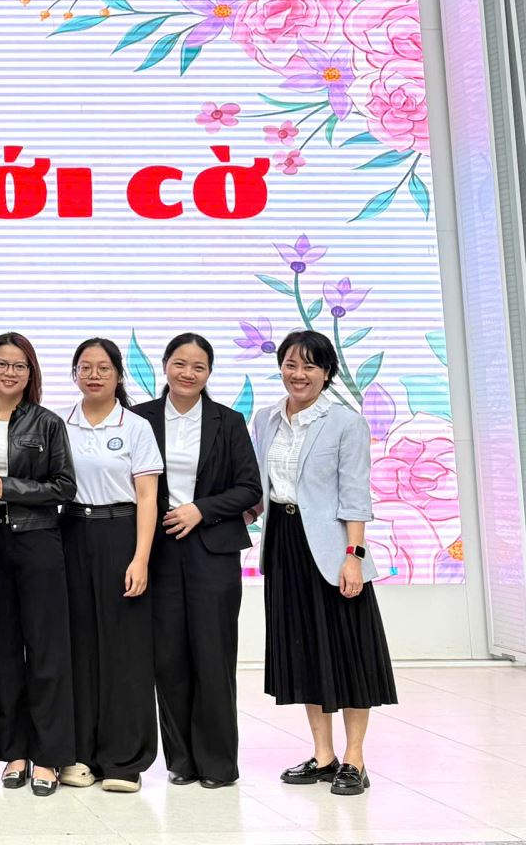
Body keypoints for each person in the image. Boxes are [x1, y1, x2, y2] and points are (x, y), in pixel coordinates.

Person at [256, 329, 397, 797]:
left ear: (327, 372)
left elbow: (355, 495)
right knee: (305, 651)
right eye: (291, 365)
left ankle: (355, 759)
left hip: (334, 548)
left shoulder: (345, 422)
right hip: (285, 544)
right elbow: (260, 486)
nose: (299, 375)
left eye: (310, 366)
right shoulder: (265, 418)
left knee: (350, 652)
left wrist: (353, 556)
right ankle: (323, 756)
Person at [130, 333, 263, 789]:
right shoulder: (139, 418)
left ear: (209, 372)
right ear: (165, 365)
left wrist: (201, 510)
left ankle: (219, 763)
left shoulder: (229, 420)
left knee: (213, 655)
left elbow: (249, 488)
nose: (188, 373)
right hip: (159, 550)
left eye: (198, 366)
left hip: (213, 551)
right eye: (180, 363)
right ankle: (182, 761)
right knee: (168, 659)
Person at [0, 331, 75, 798]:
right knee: (3, 650)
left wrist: (8, 488)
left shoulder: (47, 422)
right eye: (2, 363)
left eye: (20, 365)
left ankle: (50, 756)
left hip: (37, 540)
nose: (10, 372)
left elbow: (64, 486)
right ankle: (14, 751)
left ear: (30, 372)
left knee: (46, 650)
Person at [60, 337, 161, 794]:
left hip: (122, 534)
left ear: (119, 374)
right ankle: (79, 754)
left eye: (103, 367)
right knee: (78, 647)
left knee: (125, 649)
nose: (94, 375)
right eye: (85, 367)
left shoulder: (136, 427)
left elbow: (147, 497)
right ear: (74, 374)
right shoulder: (60, 424)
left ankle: (124, 760)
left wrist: (141, 557)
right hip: (71, 533)